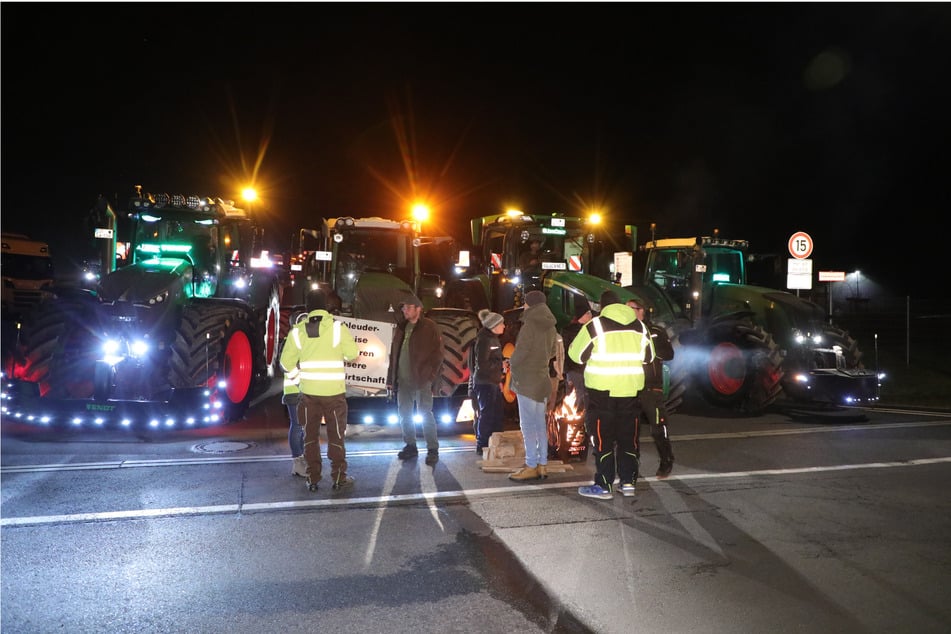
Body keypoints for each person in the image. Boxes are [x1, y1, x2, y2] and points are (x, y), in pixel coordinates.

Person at [568, 290, 650, 499]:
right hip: (630, 392)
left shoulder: (595, 326)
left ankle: (604, 485)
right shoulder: (640, 327)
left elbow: (575, 355)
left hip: (601, 393)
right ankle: (628, 482)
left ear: (602, 307)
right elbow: (649, 357)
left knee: (602, 439)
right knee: (627, 439)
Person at [280, 290, 359, 492]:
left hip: (308, 396)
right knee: (336, 437)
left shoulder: (297, 332)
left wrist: (299, 381)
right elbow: (352, 354)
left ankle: (313, 478)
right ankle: (339, 477)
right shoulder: (336, 328)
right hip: (334, 396)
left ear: (307, 308)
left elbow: (285, 362)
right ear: (325, 307)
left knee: (310, 438)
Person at [508, 289, 558, 481]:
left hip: (527, 381)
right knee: (539, 424)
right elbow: (553, 351)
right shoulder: (551, 325)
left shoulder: (529, 324)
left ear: (529, 304)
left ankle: (530, 465)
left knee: (528, 425)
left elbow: (520, 353)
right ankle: (542, 465)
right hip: (542, 379)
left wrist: (510, 362)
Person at [393, 294, 444, 465]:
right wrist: (390, 377)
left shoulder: (429, 327)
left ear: (418, 309)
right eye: (403, 308)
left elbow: (438, 354)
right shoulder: (402, 327)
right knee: (404, 414)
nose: (404, 310)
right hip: (403, 381)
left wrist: (430, 377)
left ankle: (432, 449)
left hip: (421, 380)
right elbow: (394, 354)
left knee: (425, 414)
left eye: (408, 307)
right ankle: (410, 446)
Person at [628, 299, 676, 478]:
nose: (627, 311)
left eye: (631, 308)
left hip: (651, 387)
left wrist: (650, 348)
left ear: (641, 311)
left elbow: (669, 354)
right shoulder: (625, 332)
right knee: (631, 430)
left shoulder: (655, 332)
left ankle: (666, 459)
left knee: (658, 427)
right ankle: (633, 465)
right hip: (630, 386)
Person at [471, 308, 506, 456]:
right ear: (494, 326)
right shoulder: (485, 340)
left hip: (492, 382)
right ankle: (483, 444)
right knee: (487, 414)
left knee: (496, 414)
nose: (504, 326)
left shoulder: (493, 338)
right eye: (502, 324)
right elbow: (483, 364)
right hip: (485, 384)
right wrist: (500, 366)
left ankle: (494, 442)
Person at [560, 297, 593, 413]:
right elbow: (564, 352)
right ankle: (574, 421)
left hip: (586, 369)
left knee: (584, 396)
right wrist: (566, 370)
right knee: (576, 396)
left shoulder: (590, 329)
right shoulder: (569, 330)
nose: (591, 316)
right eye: (588, 313)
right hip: (574, 370)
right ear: (582, 315)